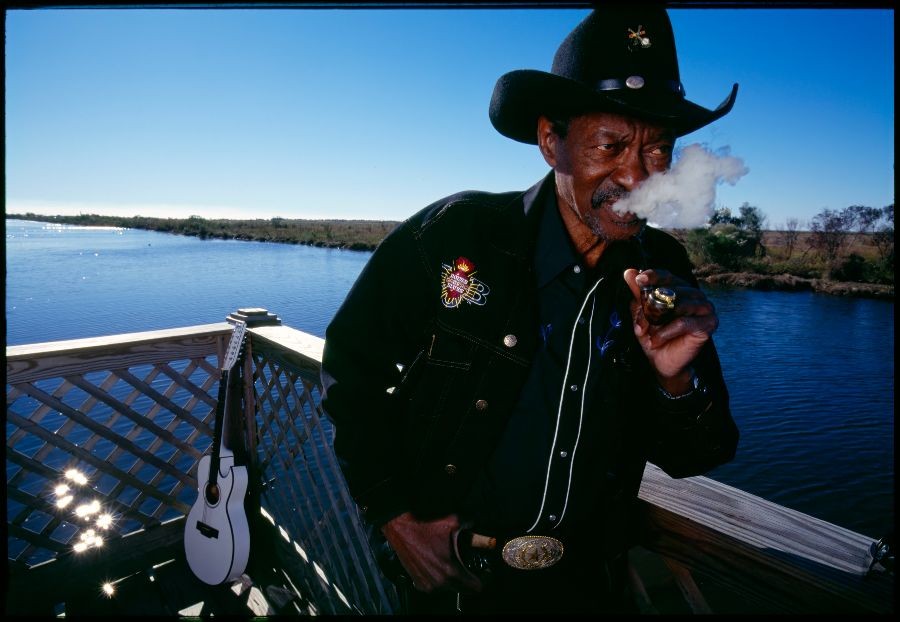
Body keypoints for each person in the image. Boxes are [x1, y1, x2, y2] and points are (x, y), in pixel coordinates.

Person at [321, 5, 740, 615]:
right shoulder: (454, 236)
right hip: (454, 583)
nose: (637, 175)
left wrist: (675, 379)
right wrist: (392, 515)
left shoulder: (666, 271)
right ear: (552, 142)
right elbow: (351, 369)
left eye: (657, 151)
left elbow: (698, 455)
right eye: (611, 144)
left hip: (587, 590)